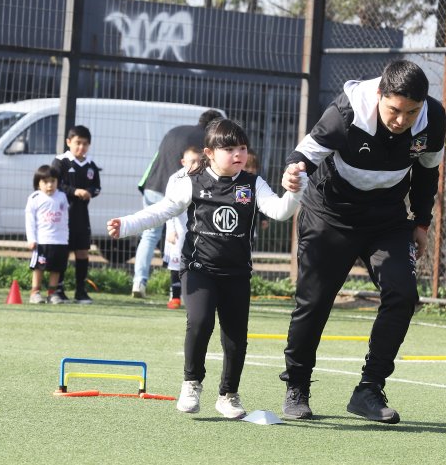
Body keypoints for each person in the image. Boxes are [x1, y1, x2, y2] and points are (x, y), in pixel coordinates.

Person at [278, 59, 446, 424]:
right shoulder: (346, 111)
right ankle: (297, 386)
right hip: (330, 215)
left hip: (386, 219)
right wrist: (293, 173)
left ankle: (369, 389)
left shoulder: (432, 119)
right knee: (315, 301)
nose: (401, 120)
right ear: (379, 95)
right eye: (394, 110)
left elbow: (427, 172)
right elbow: (304, 155)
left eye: (411, 111)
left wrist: (421, 221)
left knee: (402, 294)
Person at [107, 119, 307, 419]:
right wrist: (126, 225)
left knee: (236, 337)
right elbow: (161, 211)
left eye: (242, 148)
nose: (238, 154)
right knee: (200, 322)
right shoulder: (192, 182)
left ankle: (228, 395)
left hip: (237, 273)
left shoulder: (252, 184)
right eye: (229, 149)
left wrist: (295, 191)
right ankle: (191, 383)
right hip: (198, 268)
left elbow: (281, 212)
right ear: (209, 153)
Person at [131, 109, 224, 298]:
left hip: (153, 186)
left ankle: (139, 282)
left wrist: (144, 185)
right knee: (187, 237)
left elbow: (155, 161)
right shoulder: (207, 141)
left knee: (149, 236)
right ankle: (183, 288)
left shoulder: (174, 130)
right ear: (214, 126)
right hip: (177, 190)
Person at [51, 125, 102, 304]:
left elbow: (97, 187)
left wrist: (90, 192)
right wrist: (75, 191)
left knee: (82, 251)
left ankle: (80, 290)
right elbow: (55, 185)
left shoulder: (90, 165)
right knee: (63, 251)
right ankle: (58, 289)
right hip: (63, 214)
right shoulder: (60, 162)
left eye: (85, 144)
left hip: (81, 215)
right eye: (77, 143)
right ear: (68, 142)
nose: (81, 147)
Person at [162, 146, 202, 309]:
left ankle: (194, 296)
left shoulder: (205, 177)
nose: (196, 164)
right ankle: (175, 296)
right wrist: (170, 229)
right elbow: (167, 206)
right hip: (178, 228)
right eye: (192, 161)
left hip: (198, 228)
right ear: (183, 162)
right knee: (176, 261)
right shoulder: (175, 179)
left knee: (197, 262)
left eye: (199, 161)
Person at [25, 165, 70, 305]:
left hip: (60, 241)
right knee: (39, 268)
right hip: (42, 241)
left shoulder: (62, 197)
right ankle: (35, 293)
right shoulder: (35, 198)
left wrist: (65, 238)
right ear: (38, 183)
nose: (50, 185)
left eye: (53, 181)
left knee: (56, 268)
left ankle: (52, 294)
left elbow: (65, 218)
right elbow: (30, 220)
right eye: (45, 182)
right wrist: (31, 239)